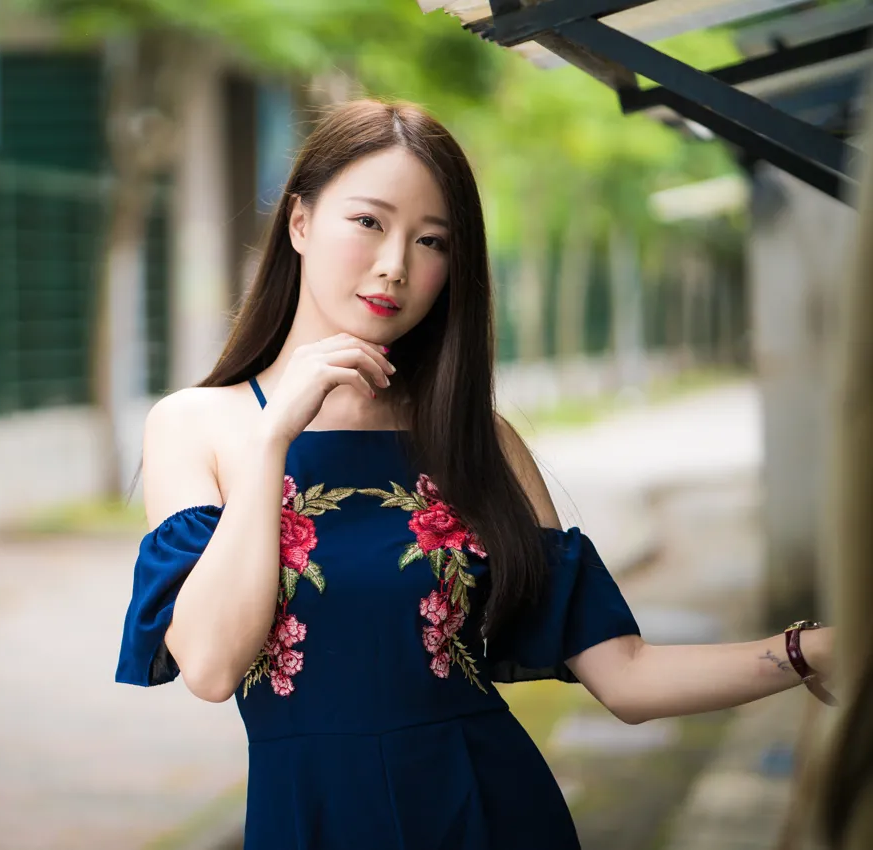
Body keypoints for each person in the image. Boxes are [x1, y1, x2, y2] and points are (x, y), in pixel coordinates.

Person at [115, 98, 837, 849]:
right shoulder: (198, 425)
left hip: (487, 813)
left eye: (432, 241)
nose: (394, 264)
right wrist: (273, 440)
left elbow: (626, 677)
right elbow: (207, 665)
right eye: (368, 222)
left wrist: (809, 650)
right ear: (299, 222)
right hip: (311, 820)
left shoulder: (477, 440)